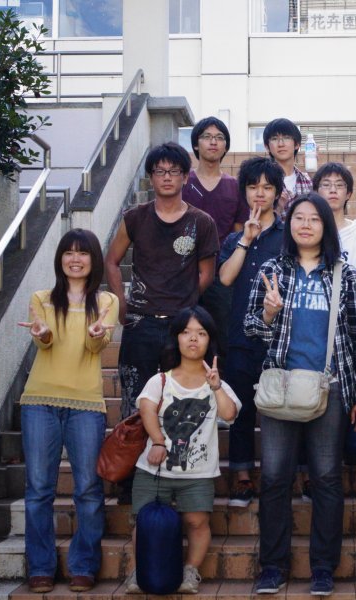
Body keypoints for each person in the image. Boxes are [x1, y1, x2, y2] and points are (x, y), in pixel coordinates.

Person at [245, 193, 356, 596]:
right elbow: (252, 328)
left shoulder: (344, 275)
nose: (305, 225)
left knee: (327, 477)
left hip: (329, 388)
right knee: (275, 478)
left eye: (314, 219)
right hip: (280, 387)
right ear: (289, 225)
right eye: (298, 218)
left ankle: (323, 567)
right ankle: (272, 566)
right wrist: (268, 312)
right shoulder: (271, 270)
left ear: (326, 226)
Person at [105, 142, 219, 503]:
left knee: (179, 401)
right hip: (140, 324)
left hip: (180, 328)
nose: (166, 177)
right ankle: (129, 479)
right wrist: (122, 305)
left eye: (174, 171)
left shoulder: (201, 222)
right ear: (151, 177)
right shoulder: (135, 217)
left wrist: (185, 306)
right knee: (135, 401)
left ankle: (176, 474)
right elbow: (111, 261)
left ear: (186, 177)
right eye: (159, 171)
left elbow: (206, 274)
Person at [18, 229, 118, 595]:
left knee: (88, 489)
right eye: (68, 253)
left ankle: (83, 566)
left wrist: (96, 333)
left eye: (83, 253)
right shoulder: (41, 298)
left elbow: (96, 347)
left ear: (93, 259)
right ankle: (40, 568)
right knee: (38, 490)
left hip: (86, 405)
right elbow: (43, 343)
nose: (75, 259)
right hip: (39, 402)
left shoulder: (106, 300)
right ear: (60, 258)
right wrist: (43, 333)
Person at [124, 306, 241, 595]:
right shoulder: (161, 379)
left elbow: (229, 414)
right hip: (154, 469)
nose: (193, 339)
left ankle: (190, 570)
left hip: (198, 472)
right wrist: (158, 441)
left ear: (209, 340)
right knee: (144, 522)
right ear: (176, 338)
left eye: (201, 333)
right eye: (186, 332)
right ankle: (139, 571)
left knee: (197, 521)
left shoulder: (217, 384)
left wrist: (216, 387)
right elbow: (146, 409)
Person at [218, 157, 287, 508]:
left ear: (277, 193)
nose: (260, 193)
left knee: (286, 408)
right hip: (241, 337)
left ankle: (292, 473)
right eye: (253, 186)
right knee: (241, 408)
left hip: (281, 337)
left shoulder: (290, 235)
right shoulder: (234, 238)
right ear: (244, 191)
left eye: (267, 187)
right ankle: (242, 475)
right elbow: (225, 278)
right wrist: (245, 240)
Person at [184, 116, 250, 357]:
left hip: (222, 274)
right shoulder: (182, 183)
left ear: (225, 146)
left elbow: (239, 231)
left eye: (219, 137)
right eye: (207, 137)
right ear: (195, 144)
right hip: (184, 272)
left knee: (223, 338)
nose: (213, 142)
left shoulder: (235, 186)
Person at [314, 161, 356, 280]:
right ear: (316, 191)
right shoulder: (308, 232)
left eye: (339, 185)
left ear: (348, 194)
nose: (333, 190)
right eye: (326, 185)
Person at [263, 117, 312, 214]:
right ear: (267, 147)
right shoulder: (262, 180)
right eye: (274, 139)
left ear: (297, 144)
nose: (281, 144)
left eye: (286, 137)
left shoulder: (307, 180)